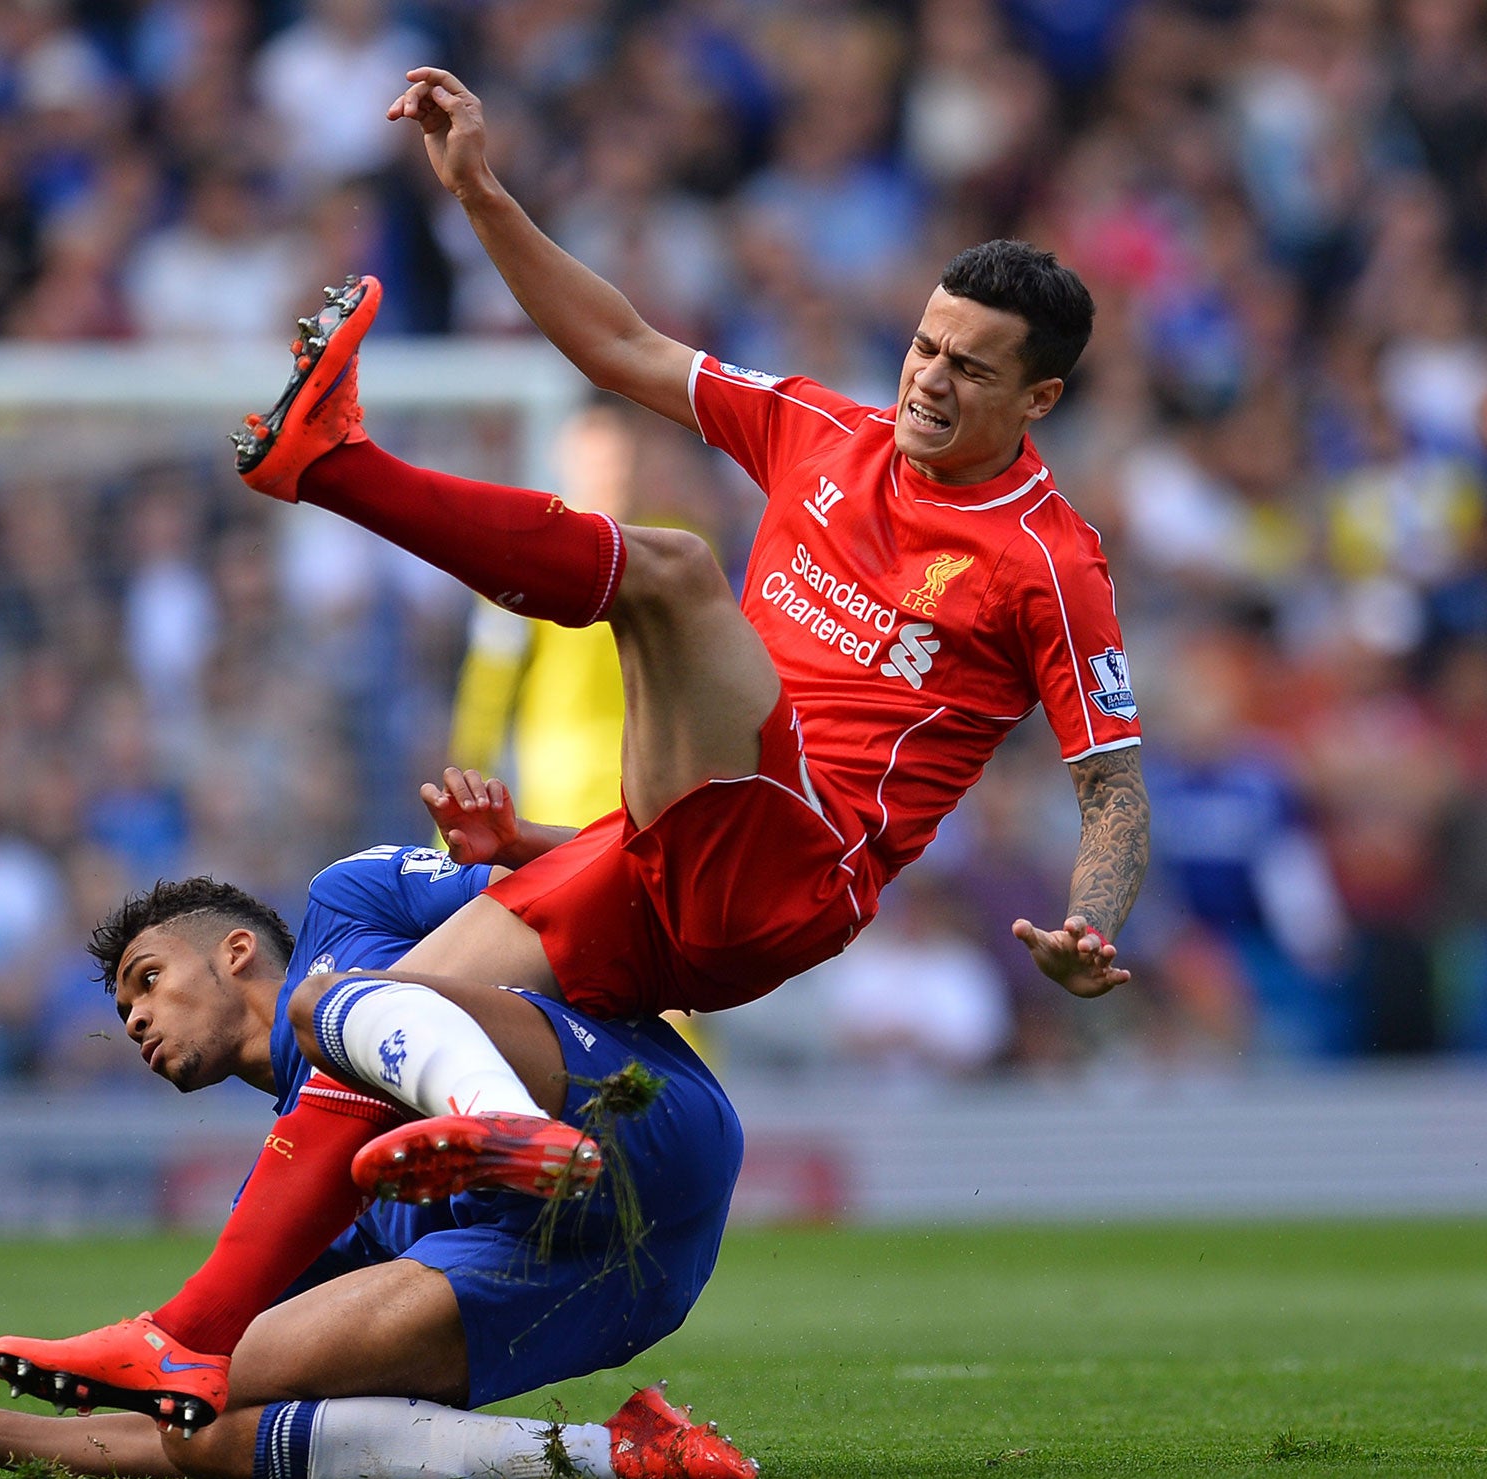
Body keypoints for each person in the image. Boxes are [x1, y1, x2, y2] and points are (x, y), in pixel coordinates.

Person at [224, 64, 1147, 1188]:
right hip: (661, 841)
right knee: (374, 1023)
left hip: (795, 871)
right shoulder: (822, 429)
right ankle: (201, 1346)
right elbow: (622, 348)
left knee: (667, 570)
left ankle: (329, 465)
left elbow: (1110, 787)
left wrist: (1089, 923)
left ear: (1036, 400)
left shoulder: (1046, 560)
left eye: (968, 367)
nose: (926, 381)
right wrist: (479, 193)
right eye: (923, 347)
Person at [0, 844, 751, 1479]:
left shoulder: (351, 898)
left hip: (636, 1112)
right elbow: (172, 1421)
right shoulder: (286, 1204)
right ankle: (615, 1452)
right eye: (124, 1005)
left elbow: (561, 883)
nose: (134, 1017)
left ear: (235, 951)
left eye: (149, 979)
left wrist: (517, 839)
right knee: (222, 1391)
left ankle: (497, 1118)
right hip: (611, 1274)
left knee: (329, 1007)